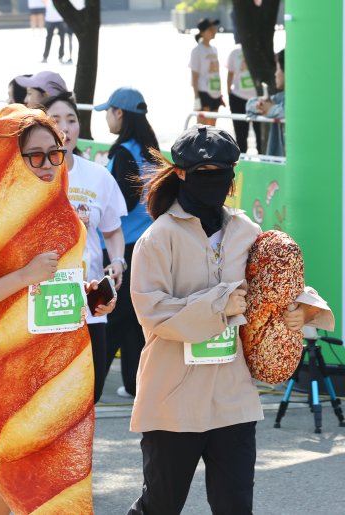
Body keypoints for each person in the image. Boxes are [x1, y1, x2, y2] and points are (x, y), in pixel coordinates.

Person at [126, 124, 333, 515]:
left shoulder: (247, 231)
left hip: (233, 399)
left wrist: (303, 309)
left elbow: (278, 281)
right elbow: (154, 316)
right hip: (172, 400)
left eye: (222, 172)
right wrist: (220, 302)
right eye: (204, 173)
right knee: (160, 506)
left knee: (236, 506)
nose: (214, 181)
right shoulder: (157, 239)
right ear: (181, 173)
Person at [0, 105, 113, 515]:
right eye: (34, 155)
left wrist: (89, 298)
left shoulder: (66, 221)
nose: (47, 164)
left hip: (49, 395)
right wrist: (23, 275)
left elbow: (51, 295)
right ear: (9, 161)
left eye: (54, 152)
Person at [44, 93, 125, 404]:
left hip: (91, 301)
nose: (65, 128)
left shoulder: (98, 176)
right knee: (52, 400)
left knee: (88, 395)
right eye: (55, 120)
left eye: (72, 120)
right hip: (44, 303)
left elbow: (113, 229)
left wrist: (117, 260)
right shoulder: (30, 175)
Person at [93, 86, 160, 398]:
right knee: (133, 320)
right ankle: (136, 384)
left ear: (119, 113)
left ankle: (90, 385)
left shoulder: (123, 153)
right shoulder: (151, 151)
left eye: (108, 111)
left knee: (108, 317)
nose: (106, 117)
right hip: (147, 246)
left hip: (122, 249)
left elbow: (122, 204)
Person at [247, 49, 285, 157]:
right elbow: (249, 105)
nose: (275, 73)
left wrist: (271, 110)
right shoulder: (279, 98)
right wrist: (261, 106)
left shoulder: (295, 100)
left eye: (277, 68)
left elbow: (287, 112)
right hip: (278, 163)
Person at [226, 42, 261, 154]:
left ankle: (263, 163)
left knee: (260, 135)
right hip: (238, 98)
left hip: (258, 99)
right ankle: (243, 164)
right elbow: (230, 74)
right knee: (241, 136)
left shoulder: (258, 51)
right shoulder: (234, 53)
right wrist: (229, 92)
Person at [190, 18, 224, 126]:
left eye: (214, 28)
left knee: (213, 126)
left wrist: (220, 95)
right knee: (203, 127)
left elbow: (217, 73)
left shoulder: (214, 49)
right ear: (203, 32)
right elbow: (194, 75)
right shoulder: (197, 50)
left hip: (215, 91)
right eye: (210, 29)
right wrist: (196, 97)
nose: (214, 31)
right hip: (204, 91)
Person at [42, 0, 66, 64]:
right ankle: (45, 57)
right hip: (50, 20)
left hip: (60, 19)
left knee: (62, 39)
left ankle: (61, 56)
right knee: (48, 39)